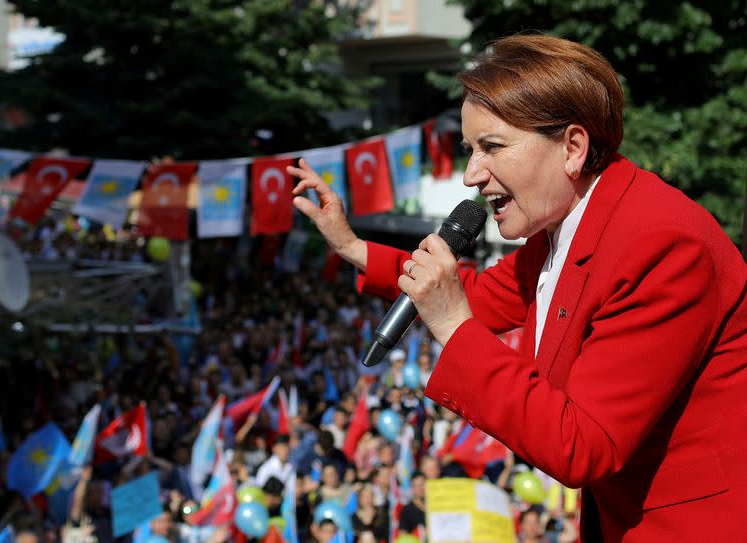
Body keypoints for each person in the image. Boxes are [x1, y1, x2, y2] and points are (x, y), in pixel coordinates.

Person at [288, 33, 747, 541]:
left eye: (492, 148)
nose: (470, 175)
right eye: (469, 150)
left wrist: (452, 324)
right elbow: (475, 296)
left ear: (573, 148)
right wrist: (354, 247)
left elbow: (582, 445)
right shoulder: (568, 226)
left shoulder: (661, 245)